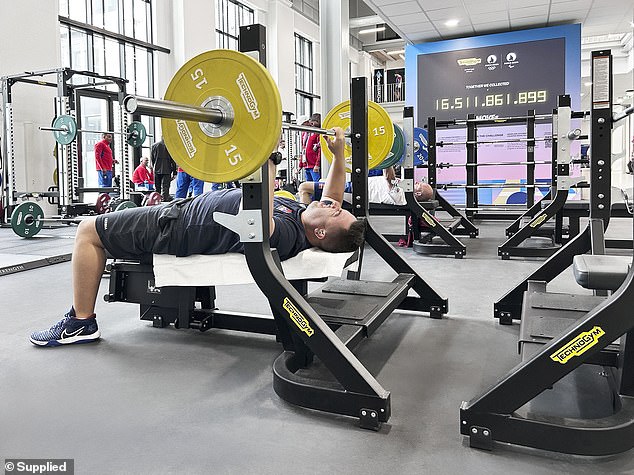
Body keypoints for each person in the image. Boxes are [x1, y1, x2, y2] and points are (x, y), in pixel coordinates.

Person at [29, 127, 365, 347]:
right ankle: (81, 319)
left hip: (175, 227)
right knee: (93, 230)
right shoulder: (307, 216)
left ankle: (81, 322)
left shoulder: (290, 233)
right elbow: (333, 195)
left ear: (320, 232)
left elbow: (259, 221)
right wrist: (337, 155)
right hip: (182, 211)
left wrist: (267, 154)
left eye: (336, 213)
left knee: (88, 231)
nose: (332, 204)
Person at [298, 166, 434, 206]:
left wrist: (387, 158)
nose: (417, 182)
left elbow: (388, 177)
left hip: (352, 191)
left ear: (417, 194)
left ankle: (306, 220)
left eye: (419, 185)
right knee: (315, 185)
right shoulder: (405, 187)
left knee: (304, 187)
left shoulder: (401, 196)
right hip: (352, 185)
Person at [304, 113, 322, 181]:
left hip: (313, 165)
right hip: (307, 165)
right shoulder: (308, 134)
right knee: (309, 186)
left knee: (316, 185)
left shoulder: (318, 134)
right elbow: (304, 149)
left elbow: (320, 151)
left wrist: (317, 164)